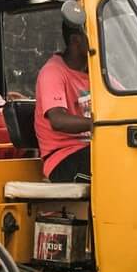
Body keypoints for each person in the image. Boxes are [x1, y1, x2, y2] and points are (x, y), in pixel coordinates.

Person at [34, 21, 92, 183]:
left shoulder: (95, 72)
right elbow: (58, 120)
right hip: (64, 158)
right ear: (75, 40)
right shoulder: (53, 72)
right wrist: (99, 123)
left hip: (91, 150)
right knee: (117, 165)